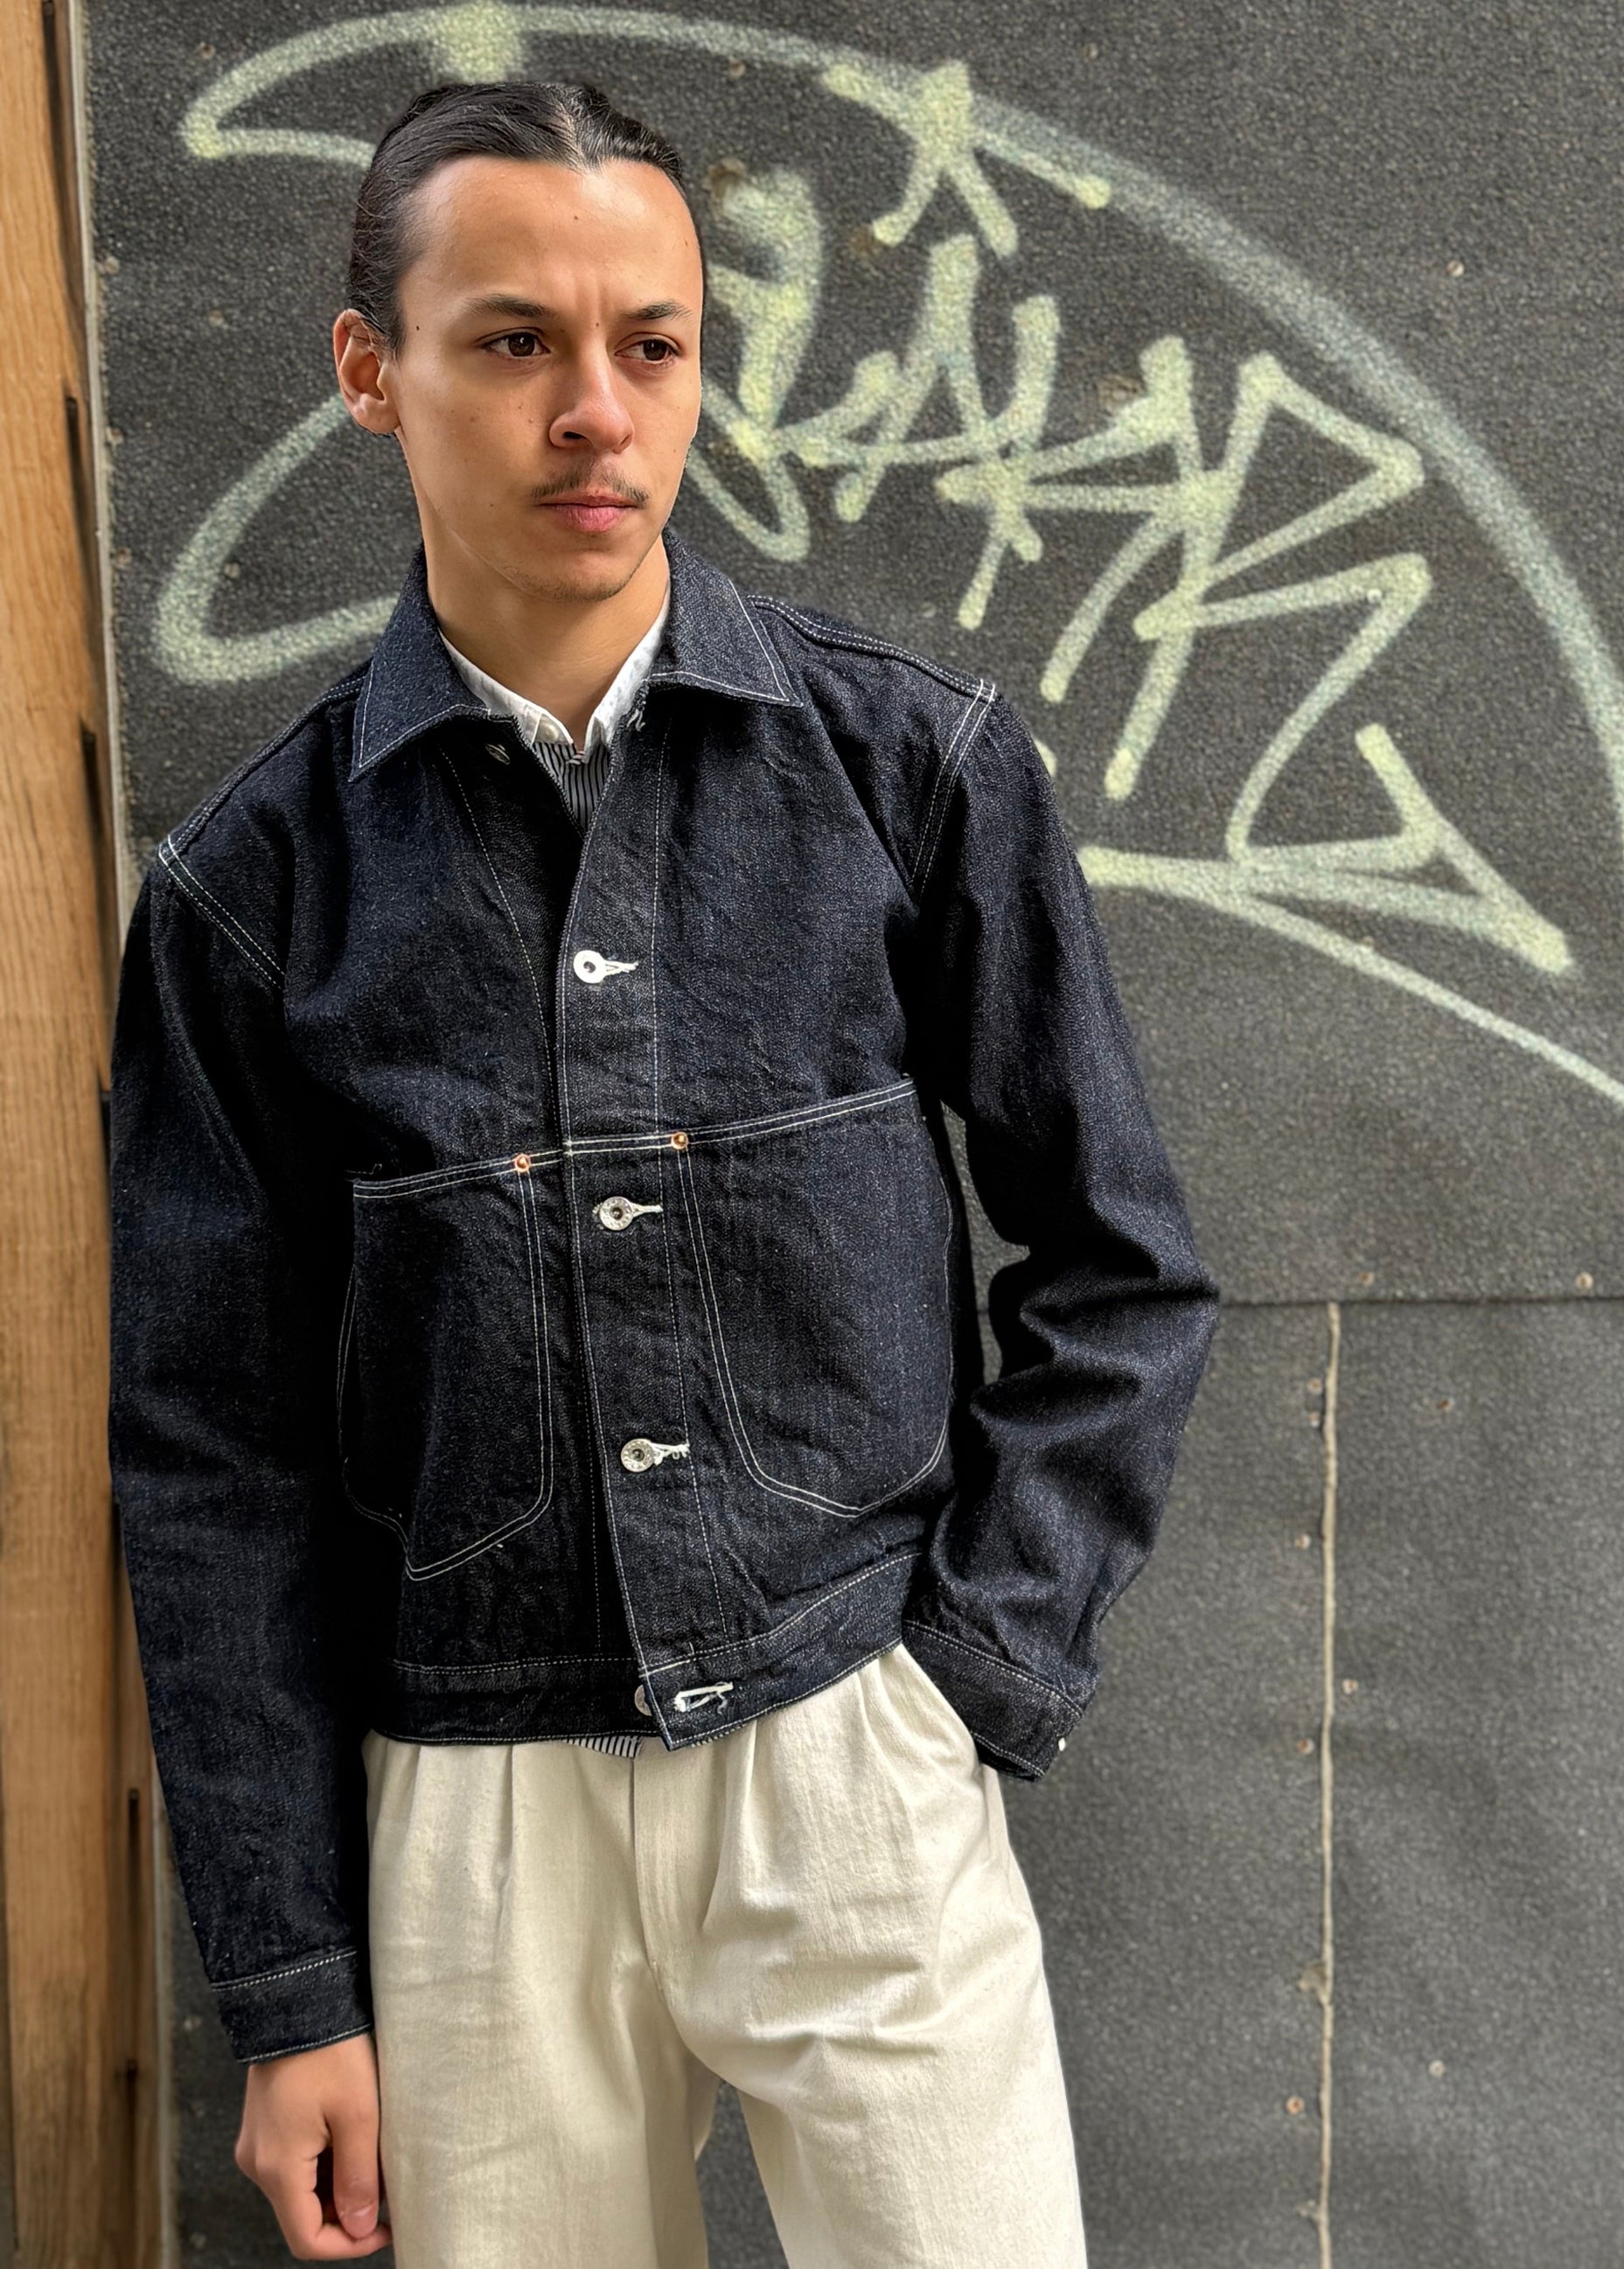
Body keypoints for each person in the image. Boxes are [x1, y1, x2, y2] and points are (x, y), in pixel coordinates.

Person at [107, 76, 1222, 2267]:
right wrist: (291, 1985)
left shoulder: (908, 771)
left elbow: (1119, 1270)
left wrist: (962, 1689)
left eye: (655, 343)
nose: (596, 413)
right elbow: (209, 1460)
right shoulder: (254, 896)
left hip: (852, 1760)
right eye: (513, 340)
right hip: (472, 1829)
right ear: (371, 373)